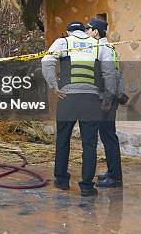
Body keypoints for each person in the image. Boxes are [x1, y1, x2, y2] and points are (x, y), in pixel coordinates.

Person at [41, 20, 117, 196]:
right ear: (85, 31)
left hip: (68, 98)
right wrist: (108, 96)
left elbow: (47, 61)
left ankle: (61, 180)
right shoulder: (97, 45)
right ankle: (87, 186)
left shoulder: (63, 42)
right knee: (89, 144)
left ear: (69, 32)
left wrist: (54, 85)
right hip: (91, 100)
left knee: (63, 140)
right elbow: (109, 72)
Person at [86, 17, 123, 188]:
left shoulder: (103, 48)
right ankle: (112, 171)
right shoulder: (104, 47)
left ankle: (115, 177)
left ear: (96, 32)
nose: (87, 31)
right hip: (106, 97)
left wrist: (107, 99)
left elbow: (109, 74)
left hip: (107, 99)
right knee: (107, 135)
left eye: (89, 28)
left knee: (108, 136)